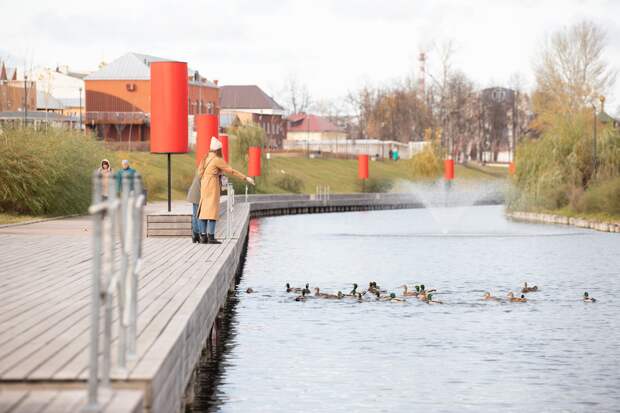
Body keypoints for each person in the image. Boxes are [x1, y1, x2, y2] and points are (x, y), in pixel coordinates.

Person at [197, 138, 255, 244]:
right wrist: (245, 178)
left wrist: (211, 175)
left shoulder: (205, 158)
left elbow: (199, 172)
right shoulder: (217, 160)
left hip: (204, 186)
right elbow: (231, 171)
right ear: (218, 149)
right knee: (212, 212)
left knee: (204, 212)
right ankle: (211, 237)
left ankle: (203, 237)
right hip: (212, 187)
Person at [187, 166, 205, 243]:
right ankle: (200, 235)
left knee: (195, 215)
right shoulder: (205, 173)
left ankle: (195, 235)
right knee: (199, 215)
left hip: (193, 194)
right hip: (197, 195)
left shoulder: (200, 170)